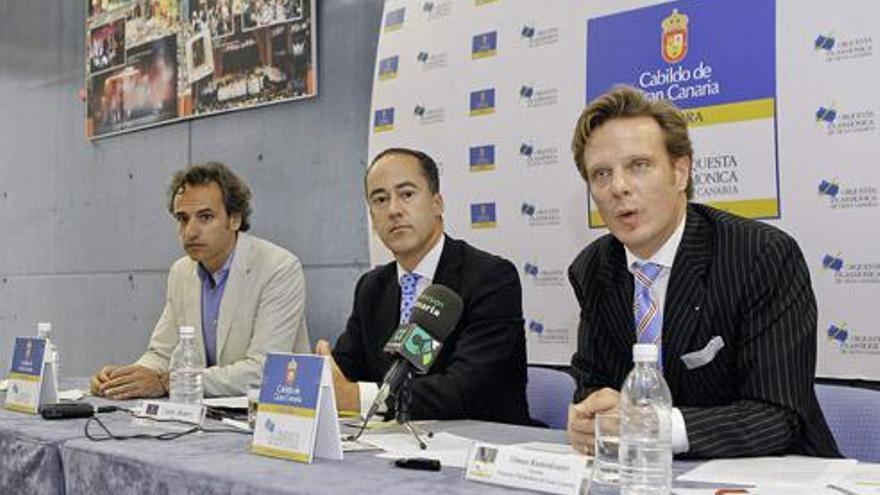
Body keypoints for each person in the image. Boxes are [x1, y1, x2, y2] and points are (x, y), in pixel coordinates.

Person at [566, 85, 840, 458]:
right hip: (647, 476)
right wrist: (590, 415)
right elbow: (592, 384)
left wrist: (656, 427)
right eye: (601, 174)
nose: (619, 187)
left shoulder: (760, 255)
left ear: (680, 172)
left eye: (639, 166)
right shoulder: (593, 268)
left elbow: (779, 415)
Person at [316, 148, 530, 425]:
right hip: (387, 450)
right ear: (371, 217)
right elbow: (347, 371)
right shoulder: (372, 287)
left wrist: (360, 398)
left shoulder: (490, 278)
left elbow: (464, 391)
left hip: (477, 447)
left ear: (437, 203)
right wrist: (326, 374)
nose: (393, 210)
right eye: (380, 199)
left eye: (406, 194)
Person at [91, 162, 309, 399]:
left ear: (235, 219)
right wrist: (122, 380)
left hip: (269, 416)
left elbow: (264, 370)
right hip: (205, 415)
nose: (190, 232)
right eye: (183, 219)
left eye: (205, 217)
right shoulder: (180, 272)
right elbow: (162, 354)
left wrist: (169, 382)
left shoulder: (279, 267)